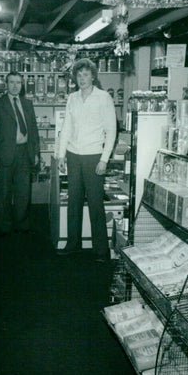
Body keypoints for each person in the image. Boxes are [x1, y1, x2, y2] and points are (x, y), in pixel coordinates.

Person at [56, 58, 117, 262]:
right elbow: (66, 128)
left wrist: (104, 159)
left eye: (85, 75)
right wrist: (61, 154)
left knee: (95, 204)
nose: (82, 79)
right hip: (73, 156)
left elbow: (111, 130)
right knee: (73, 202)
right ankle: (73, 244)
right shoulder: (72, 98)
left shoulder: (103, 98)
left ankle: (101, 249)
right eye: (78, 75)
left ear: (93, 76)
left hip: (94, 158)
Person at [0, 70, 40, 236]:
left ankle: (22, 223)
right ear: (6, 84)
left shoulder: (28, 104)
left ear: (22, 85)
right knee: (4, 191)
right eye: (12, 82)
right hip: (5, 154)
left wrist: (36, 152)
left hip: (25, 152)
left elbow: (33, 130)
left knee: (23, 191)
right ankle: (4, 226)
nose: (15, 86)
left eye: (18, 82)